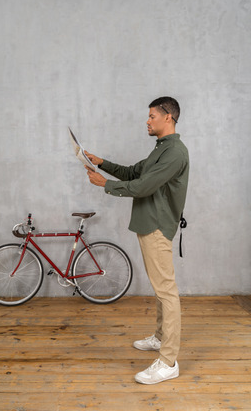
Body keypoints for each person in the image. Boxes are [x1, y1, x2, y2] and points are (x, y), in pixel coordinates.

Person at [85, 96, 189, 385]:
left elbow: (142, 186)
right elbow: (134, 172)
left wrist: (104, 184)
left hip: (157, 227)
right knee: (160, 288)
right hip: (148, 224)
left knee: (166, 291)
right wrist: (101, 162)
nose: (147, 120)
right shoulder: (162, 149)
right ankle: (159, 338)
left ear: (168, 118)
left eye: (152, 116)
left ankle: (169, 361)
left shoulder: (175, 153)